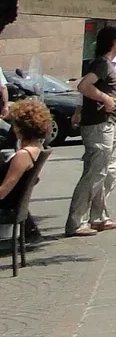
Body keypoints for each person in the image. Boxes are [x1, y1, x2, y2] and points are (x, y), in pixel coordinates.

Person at [65, 26, 116, 237]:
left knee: (107, 172)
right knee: (95, 173)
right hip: (99, 125)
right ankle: (76, 221)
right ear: (113, 42)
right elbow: (84, 86)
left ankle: (99, 217)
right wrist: (106, 99)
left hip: (108, 123)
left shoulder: (105, 64)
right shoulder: (102, 63)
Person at [0, 98, 51, 240]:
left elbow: (3, 192)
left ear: (19, 128)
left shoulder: (23, 155)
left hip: (6, 207)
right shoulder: (36, 149)